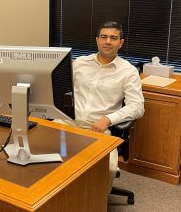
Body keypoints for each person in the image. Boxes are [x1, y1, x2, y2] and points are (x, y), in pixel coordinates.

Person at [56, 20, 145, 192]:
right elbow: (61, 88)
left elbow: (137, 106)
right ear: (97, 40)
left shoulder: (128, 72)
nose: (108, 41)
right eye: (103, 37)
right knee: (45, 155)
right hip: (67, 122)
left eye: (113, 38)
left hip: (99, 129)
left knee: (109, 168)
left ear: (121, 42)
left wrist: (107, 119)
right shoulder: (80, 63)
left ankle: (96, 202)